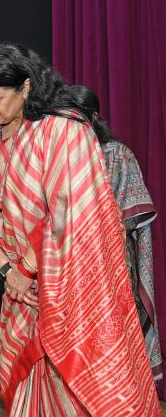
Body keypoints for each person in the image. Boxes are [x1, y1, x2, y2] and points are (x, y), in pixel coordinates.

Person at [0, 43, 159, 415]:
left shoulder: (60, 130)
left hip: (64, 280)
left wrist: (26, 269)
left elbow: (64, 212)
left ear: (24, 88)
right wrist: (7, 269)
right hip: (16, 285)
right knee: (24, 375)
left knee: (69, 366)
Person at [68, 85, 163, 382]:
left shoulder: (117, 155)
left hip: (110, 267)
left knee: (113, 347)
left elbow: (132, 217)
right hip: (66, 264)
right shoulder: (59, 157)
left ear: (93, 118)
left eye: (74, 120)